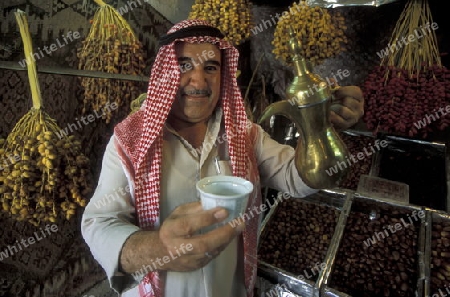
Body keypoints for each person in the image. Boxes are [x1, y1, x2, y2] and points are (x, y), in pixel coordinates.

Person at [81, 19, 364, 297]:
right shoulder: (129, 141)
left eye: (211, 67)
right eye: (184, 66)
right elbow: (99, 224)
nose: (199, 80)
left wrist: (318, 125)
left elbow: (300, 179)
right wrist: (158, 249)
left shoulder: (244, 133)